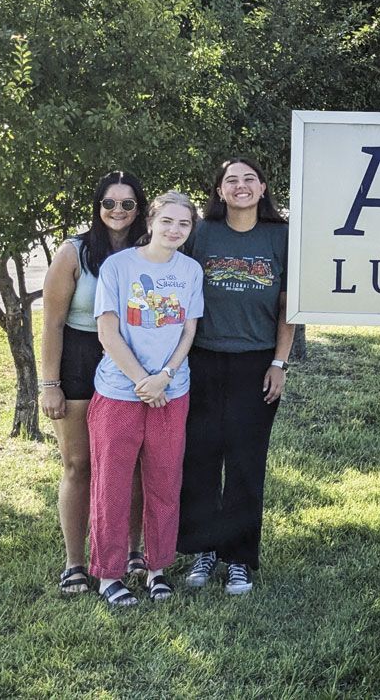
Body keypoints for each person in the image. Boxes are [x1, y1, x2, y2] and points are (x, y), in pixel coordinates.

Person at [178, 157, 292, 596]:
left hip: (257, 362)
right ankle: (205, 550)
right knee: (202, 457)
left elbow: (288, 305)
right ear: (219, 191)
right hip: (201, 359)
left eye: (249, 179)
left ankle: (239, 558)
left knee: (246, 461)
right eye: (231, 180)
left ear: (263, 188)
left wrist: (279, 363)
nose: (240, 186)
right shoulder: (201, 234)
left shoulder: (280, 237)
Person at [88, 191, 204, 606]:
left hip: (172, 392)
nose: (175, 230)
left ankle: (157, 568)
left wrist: (165, 377)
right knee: (113, 485)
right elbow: (108, 331)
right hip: (120, 392)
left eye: (184, 224)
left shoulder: (190, 270)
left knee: (164, 481)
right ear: (151, 221)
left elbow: (188, 330)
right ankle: (109, 575)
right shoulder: (119, 267)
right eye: (168, 221)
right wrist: (143, 381)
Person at [37, 170, 148, 594]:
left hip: (132, 361)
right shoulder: (74, 252)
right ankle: (74, 563)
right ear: (97, 206)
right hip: (80, 361)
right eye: (108, 203)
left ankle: (133, 552)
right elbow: (52, 322)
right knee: (78, 464)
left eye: (126, 204)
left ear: (139, 209)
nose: (117, 211)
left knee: (134, 463)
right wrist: (50, 383)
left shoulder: (149, 251)